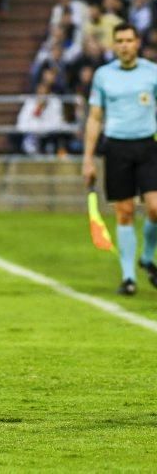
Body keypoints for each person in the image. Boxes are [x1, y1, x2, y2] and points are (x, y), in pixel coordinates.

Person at [82, 23, 157, 296]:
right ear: (114, 45)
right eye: (120, 41)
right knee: (124, 212)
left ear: (138, 43)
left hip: (148, 145)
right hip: (116, 148)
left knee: (155, 208)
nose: (124, 45)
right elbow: (95, 117)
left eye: (129, 40)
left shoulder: (153, 72)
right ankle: (128, 278)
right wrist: (88, 159)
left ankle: (147, 257)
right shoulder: (104, 75)